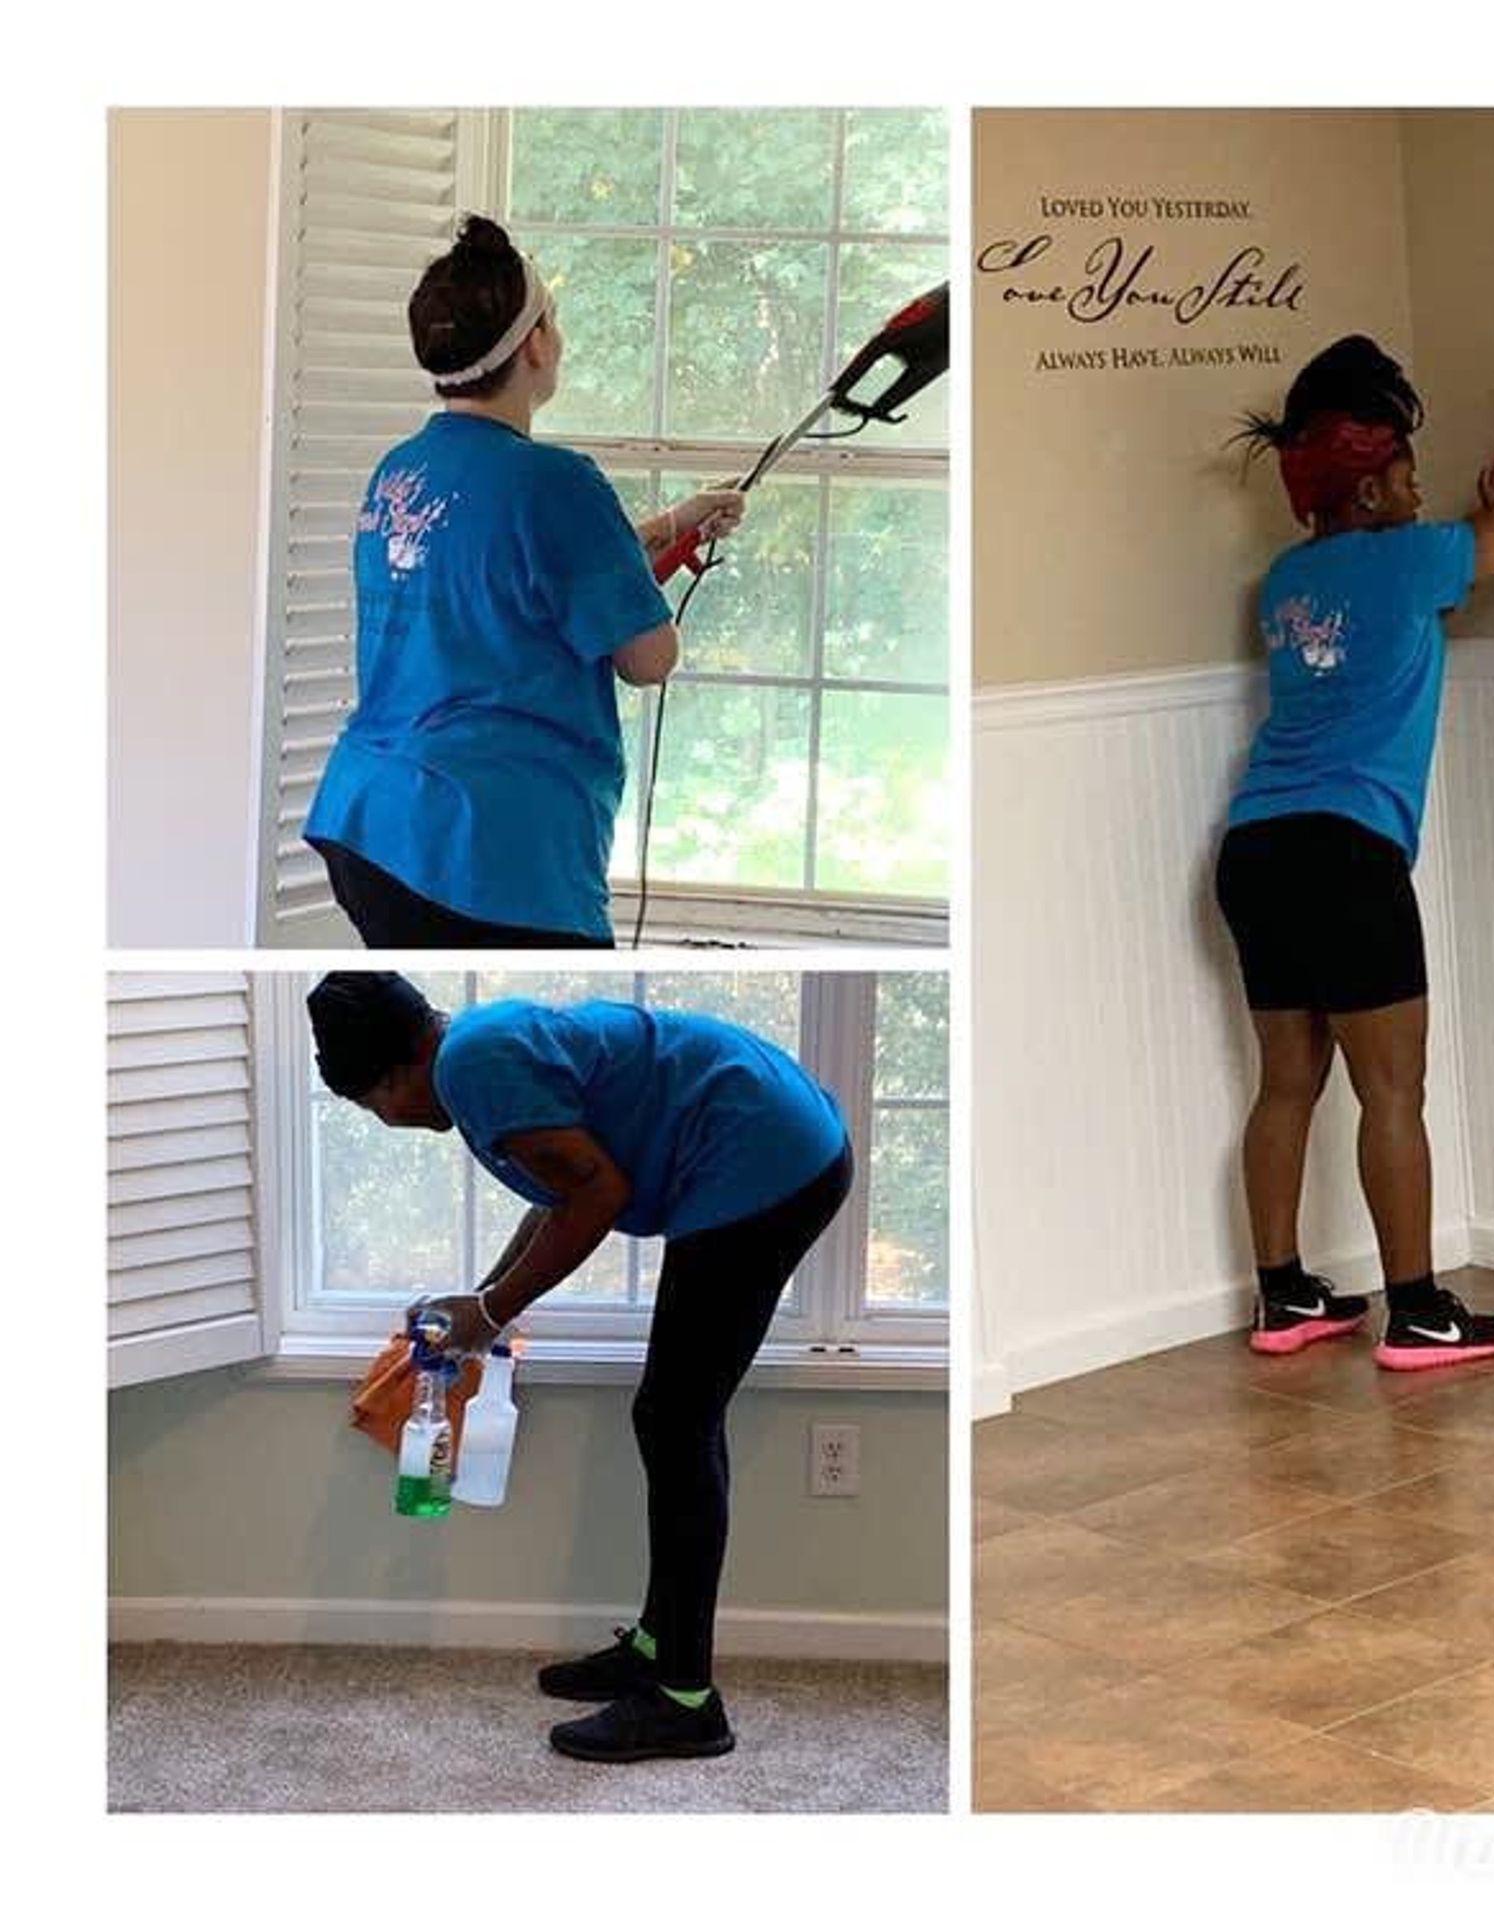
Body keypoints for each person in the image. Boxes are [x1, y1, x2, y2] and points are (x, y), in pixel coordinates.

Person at [306, 971, 853, 1762]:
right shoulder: (477, 1050)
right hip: (770, 1143)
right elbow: (560, 1188)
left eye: (370, 1104)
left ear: (392, 1074)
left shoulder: (473, 1069)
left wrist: (489, 1314)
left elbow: (598, 1196)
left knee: (675, 1419)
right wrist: (485, 1303)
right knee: (674, 1417)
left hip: (761, 1161)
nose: (385, 1120)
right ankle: (658, 1651)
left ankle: (686, 1699)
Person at [1217, 316, 1494, 1371]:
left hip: (1255, 849)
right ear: (1370, 492)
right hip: (1349, 855)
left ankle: (1282, 1299)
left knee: (1288, 1082)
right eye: (1409, 478)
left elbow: (1391, 600)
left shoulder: (1284, 583)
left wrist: (1470, 512)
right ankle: (1417, 1309)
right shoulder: (1416, 562)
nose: (1422, 494)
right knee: (1392, 1092)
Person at [304, 216, 747, 948]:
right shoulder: (554, 483)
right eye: (556, 321)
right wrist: (651, 578)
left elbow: (514, 575)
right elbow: (648, 659)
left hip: (368, 826)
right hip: (489, 855)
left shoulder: (401, 470)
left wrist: (676, 522)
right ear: (537, 343)